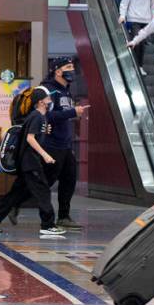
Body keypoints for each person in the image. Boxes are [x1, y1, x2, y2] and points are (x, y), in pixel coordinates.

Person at [0, 87, 66, 236]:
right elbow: (30, 138)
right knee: (43, 191)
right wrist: (45, 155)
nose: (50, 99)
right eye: (47, 97)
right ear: (41, 101)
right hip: (31, 162)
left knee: (16, 193)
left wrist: (44, 132)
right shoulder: (36, 116)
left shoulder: (38, 116)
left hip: (27, 162)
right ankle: (47, 225)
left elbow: (32, 133)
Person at [41, 57, 89, 229]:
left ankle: (63, 216)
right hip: (51, 144)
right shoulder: (48, 90)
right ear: (58, 71)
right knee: (44, 181)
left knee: (69, 178)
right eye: (68, 67)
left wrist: (73, 113)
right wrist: (71, 112)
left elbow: (64, 114)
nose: (72, 70)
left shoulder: (66, 91)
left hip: (65, 144)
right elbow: (47, 116)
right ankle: (12, 205)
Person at [118, 0, 154, 75]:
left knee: (142, 45)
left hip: (146, 20)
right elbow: (124, 2)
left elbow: (153, 6)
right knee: (138, 43)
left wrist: (153, 20)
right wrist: (122, 15)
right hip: (134, 19)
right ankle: (134, 67)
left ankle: (139, 66)